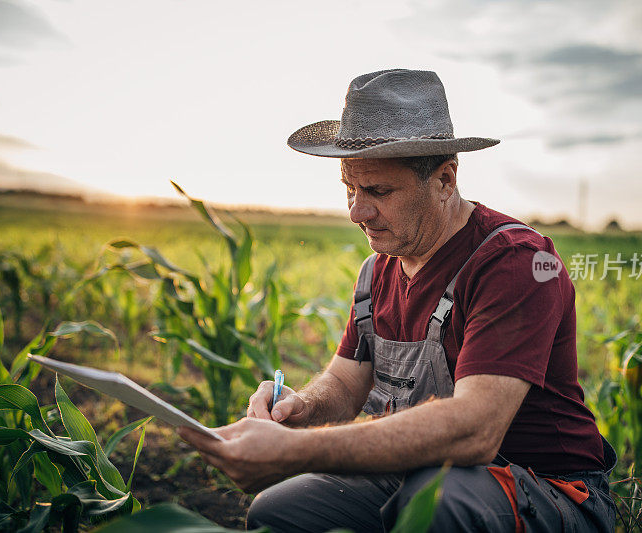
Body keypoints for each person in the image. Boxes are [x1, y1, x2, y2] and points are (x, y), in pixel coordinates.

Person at [178, 69, 617, 532]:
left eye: (378, 191)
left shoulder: (515, 263)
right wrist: (300, 407)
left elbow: (476, 429)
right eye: (349, 189)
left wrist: (294, 451)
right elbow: (347, 386)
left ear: (445, 180)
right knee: (278, 512)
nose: (356, 212)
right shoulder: (378, 270)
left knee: (443, 504)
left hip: (544, 488)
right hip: (418, 473)